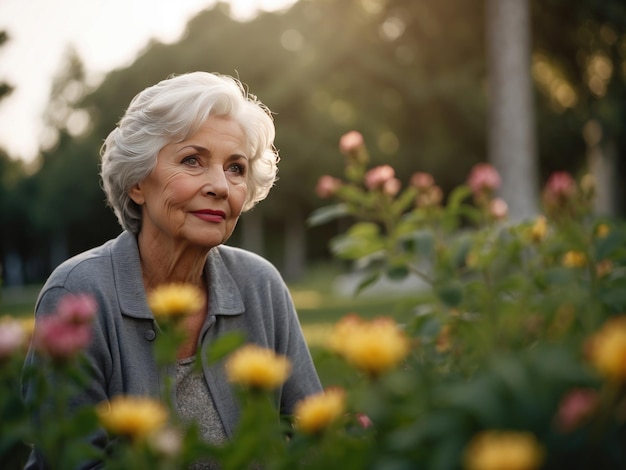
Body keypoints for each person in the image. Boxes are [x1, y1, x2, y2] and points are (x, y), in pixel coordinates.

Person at [22, 71, 323, 468]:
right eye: (192, 161)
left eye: (236, 168)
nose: (220, 185)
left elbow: (314, 437)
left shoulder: (260, 284)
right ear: (137, 183)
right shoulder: (78, 294)